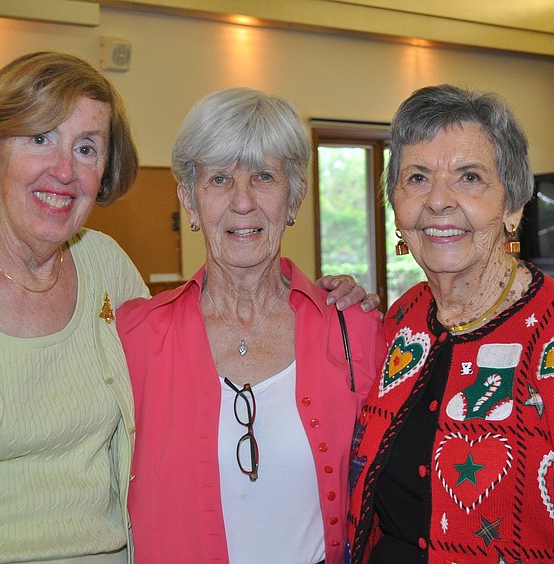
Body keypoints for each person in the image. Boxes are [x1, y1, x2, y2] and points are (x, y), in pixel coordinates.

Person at [0, 54, 371, 562]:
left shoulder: (107, 271)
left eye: (86, 147)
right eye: (41, 138)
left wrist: (343, 300)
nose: (64, 170)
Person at [346, 84, 554, 563]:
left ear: (514, 206)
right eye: (417, 177)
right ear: (395, 205)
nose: (438, 201)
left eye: (469, 177)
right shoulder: (400, 322)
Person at [117, 87, 388, 563]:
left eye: (264, 176)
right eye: (219, 179)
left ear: (294, 197)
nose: (242, 203)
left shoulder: (355, 332)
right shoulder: (135, 338)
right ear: (190, 200)